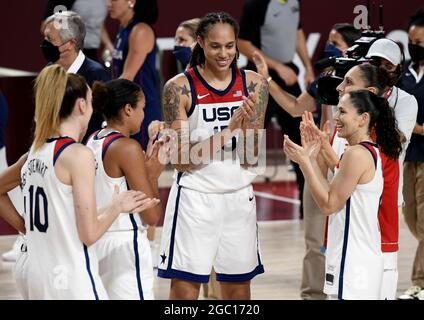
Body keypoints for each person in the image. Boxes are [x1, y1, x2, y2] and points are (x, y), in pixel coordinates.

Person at [9, 64, 150, 299]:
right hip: (70, 277)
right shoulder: (77, 154)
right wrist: (117, 206)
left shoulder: (35, 150)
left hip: (36, 274)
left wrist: (25, 226)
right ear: (82, 105)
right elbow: (89, 233)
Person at [157, 12, 269, 300]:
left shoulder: (255, 84)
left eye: (230, 46)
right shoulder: (178, 88)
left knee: (238, 291)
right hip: (195, 198)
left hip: (238, 197)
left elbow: (251, 158)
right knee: (184, 291)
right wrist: (230, 130)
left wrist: (250, 129)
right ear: (201, 42)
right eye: (216, 46)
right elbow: (180, 160)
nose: (224, 54)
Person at [252, 23, 361, 299]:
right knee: (315, 238)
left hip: (354, 161)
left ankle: (352, 290)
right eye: (329, 40)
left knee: (354, 234)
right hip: (322, 159)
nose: (330, 47)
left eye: (336, 42)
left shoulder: (365, 81)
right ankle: (313, 294)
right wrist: (266, 80)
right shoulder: (326, 75)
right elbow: (294, 106)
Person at [284, 90, 402, 299]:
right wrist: (311, 159)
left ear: (363, 118)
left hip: (354, 265)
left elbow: (328, 205)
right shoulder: (364, 152)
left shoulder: (356, 154)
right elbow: (332, 189)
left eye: (342, 112)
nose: (336, 117)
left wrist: (304, 163)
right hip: (356, 261)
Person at [86, 79, 163, 299]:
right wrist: (153, 174)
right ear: (128, 109)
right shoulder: (127, 147)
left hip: (97, 239)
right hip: (124, 246)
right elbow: (151, 215)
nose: (143, 114)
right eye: (142, 108)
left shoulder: (92, 139)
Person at [238, 0, 315, 215]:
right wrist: (277, 67)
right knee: (247, 141)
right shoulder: (256, 4)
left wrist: (307, 67)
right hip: (259, 74)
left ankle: (308, 204)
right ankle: (238, 201)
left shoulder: (294, 1)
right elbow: (242, 44)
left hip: (288, 74)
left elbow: (297, 32)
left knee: (303, 139)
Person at [365, 38, 418, 300]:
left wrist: (374, 104)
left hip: (387, 191)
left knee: (386, 262)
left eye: (387, 65)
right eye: (375, 63)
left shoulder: (406, 102)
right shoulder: (353, 96)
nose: (380, 69)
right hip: (354, 189)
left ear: (397, 71)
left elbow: (394, 143)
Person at [42, 10, 111, 142]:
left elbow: (104, 122)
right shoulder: (47, 72)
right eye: (45, 37)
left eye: (50, 39)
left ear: (71, 43)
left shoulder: (96, 75)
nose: (44, 44)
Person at [109, 0, 161, 151]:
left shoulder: (141, 31)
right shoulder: (123, 28)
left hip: (142, 112)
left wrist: (100, 98)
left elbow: (127, 77)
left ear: (131, 1)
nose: (108, 4)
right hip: (125, 109)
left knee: (144, 170)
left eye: (113, 0)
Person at [398, 8, 424, 300]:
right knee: (413, 221)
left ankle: (419, 282)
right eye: (411, 40)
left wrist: (417, 128)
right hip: (408, 156)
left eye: (419, 41)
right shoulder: (403, 70)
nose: (413, 45)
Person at [42, 0, 113, 62]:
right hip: (69, 52)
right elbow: (48, 26)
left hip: (91, 52)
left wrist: (108, 44)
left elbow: (96, 22)